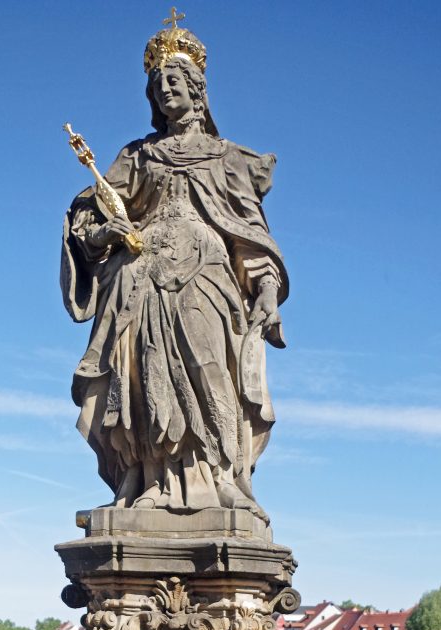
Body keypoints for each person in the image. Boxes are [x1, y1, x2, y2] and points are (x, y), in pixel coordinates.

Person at [61, 15, 288, 523]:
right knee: (142, 380)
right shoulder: (138, 156)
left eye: (173, 79)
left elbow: (250, 233)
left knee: (211, 371)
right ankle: (148, 481)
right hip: (139, 280)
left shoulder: (227, 158)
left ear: (197, 88)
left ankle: (219, 479)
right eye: (156, 82)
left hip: (205, 273)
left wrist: (267, 290)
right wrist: (106, 232)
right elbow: (92, 215)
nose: (164, 88)